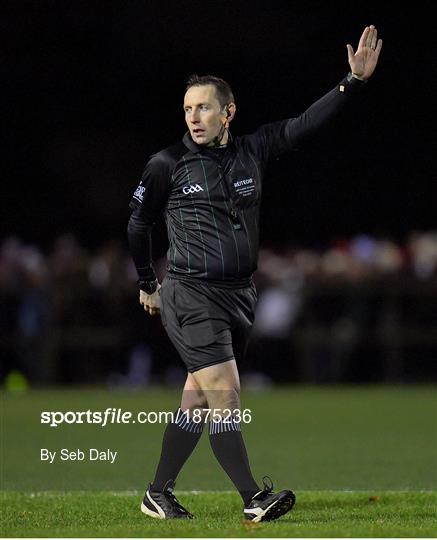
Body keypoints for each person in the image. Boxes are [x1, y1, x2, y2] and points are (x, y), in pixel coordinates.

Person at [127, 25, 382, 521]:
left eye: (203, 107)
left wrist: (352, 81)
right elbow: (138, 222)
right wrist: (147, 284)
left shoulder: (253, 150)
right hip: (190, 292)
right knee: (225, 391)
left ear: (228, 111)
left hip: (238, 296)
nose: (193, 117)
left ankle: (157, 493)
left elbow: (305, 124)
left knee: (197, 401)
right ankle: (253, 498)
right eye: (187, 109)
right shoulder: (167, 163)